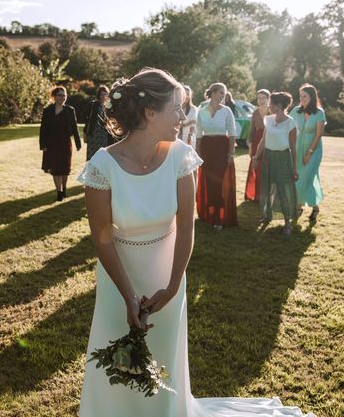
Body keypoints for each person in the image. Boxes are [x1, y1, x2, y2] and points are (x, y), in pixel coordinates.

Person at [77, 67, 314, 417]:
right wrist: (127, 295)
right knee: (115, 360)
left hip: (168, 274)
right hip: (117, 278)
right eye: (177, 107)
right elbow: (102, 239)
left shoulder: (180, 157)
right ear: (149, 112)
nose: (183, 116)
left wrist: (172, 287)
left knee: (163, 358)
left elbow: (187, 227)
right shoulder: (102, 166)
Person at [254, 92, 298, 236]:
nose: (269, 105)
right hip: (268, 157)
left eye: (271, 103)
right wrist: (256, 157)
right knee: (267, 188)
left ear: (279, 105)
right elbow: (263, 140)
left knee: (283, 192)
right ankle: (267, 215)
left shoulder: (290, 122)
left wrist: (295, 168)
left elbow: (293, 147)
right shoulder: (269, 119)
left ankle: (287, 223)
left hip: (283, 158)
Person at [196, 82, 238, 231]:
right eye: (220, 92)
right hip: (207, 148)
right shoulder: (202, 111)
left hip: (221, 148)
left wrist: (231, 154)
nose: (223, 95)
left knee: (219, 182)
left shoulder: (227, 111)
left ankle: (219, 217)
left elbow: (232, 134)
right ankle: (209, 213)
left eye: (224, 93)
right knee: (208, 180)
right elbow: (199, 135)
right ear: (213, 93)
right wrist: (198, 154)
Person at [290, 84, 326, 223]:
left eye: (305, 96)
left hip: (313, 149)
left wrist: (309, 152)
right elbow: (289, 127)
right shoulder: (295, 111)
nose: (302, 98)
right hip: (297, 149)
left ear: (312, 97)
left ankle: (298, 207)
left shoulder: (319, 113)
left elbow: (319, 134)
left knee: (307, 177)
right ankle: (314, 207)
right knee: (299, 178)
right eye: (300, 96)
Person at [39, 85, 81, 201]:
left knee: (65, 168)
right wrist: (43, 145)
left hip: (65, 143)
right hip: (51, 143)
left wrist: (78, 143)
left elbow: (75, 127)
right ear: (54, 96)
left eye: (64, 95)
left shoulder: (70, 110)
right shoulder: (48, 111)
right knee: (55, 168)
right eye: (60, 95)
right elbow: (43, 129)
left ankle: (65, 188)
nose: (62, 97)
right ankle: (59, 192)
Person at [245, 89, 271, 202]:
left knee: (266, 168)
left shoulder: (273, 111)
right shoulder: (255, 112)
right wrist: (250, 146)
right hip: (256, 142)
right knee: (255, 168)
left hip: (270, 141)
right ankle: (255, 195)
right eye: (259, 98)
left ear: (268, 99)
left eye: (263, 98)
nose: (260, 100)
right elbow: (251, 131)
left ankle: (267, 195)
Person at [84, 84, 115, 160]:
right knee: (92, 156)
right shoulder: (93, 104)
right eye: (101, 94)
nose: (103, 96)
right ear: (98, 95)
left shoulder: (109, 106)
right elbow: (86, 118)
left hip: (105, 135)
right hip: (94, 134)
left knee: (103, 155)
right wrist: (85, 132)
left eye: (105, 94)